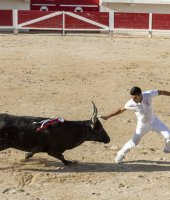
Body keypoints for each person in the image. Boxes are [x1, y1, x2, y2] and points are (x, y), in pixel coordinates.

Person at [101, 87, 170, 163]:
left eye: (135, 97)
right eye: (132, 97)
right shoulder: (131, 103)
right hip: (142, 125)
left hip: (155, 121)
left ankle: (167, 149)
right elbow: (121, 109)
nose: (133, 99)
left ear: (140, 94)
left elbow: (161, 92)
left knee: (169, 136)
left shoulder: (148, 94)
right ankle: (120, 154)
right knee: (134, 142)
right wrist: (108, 116)